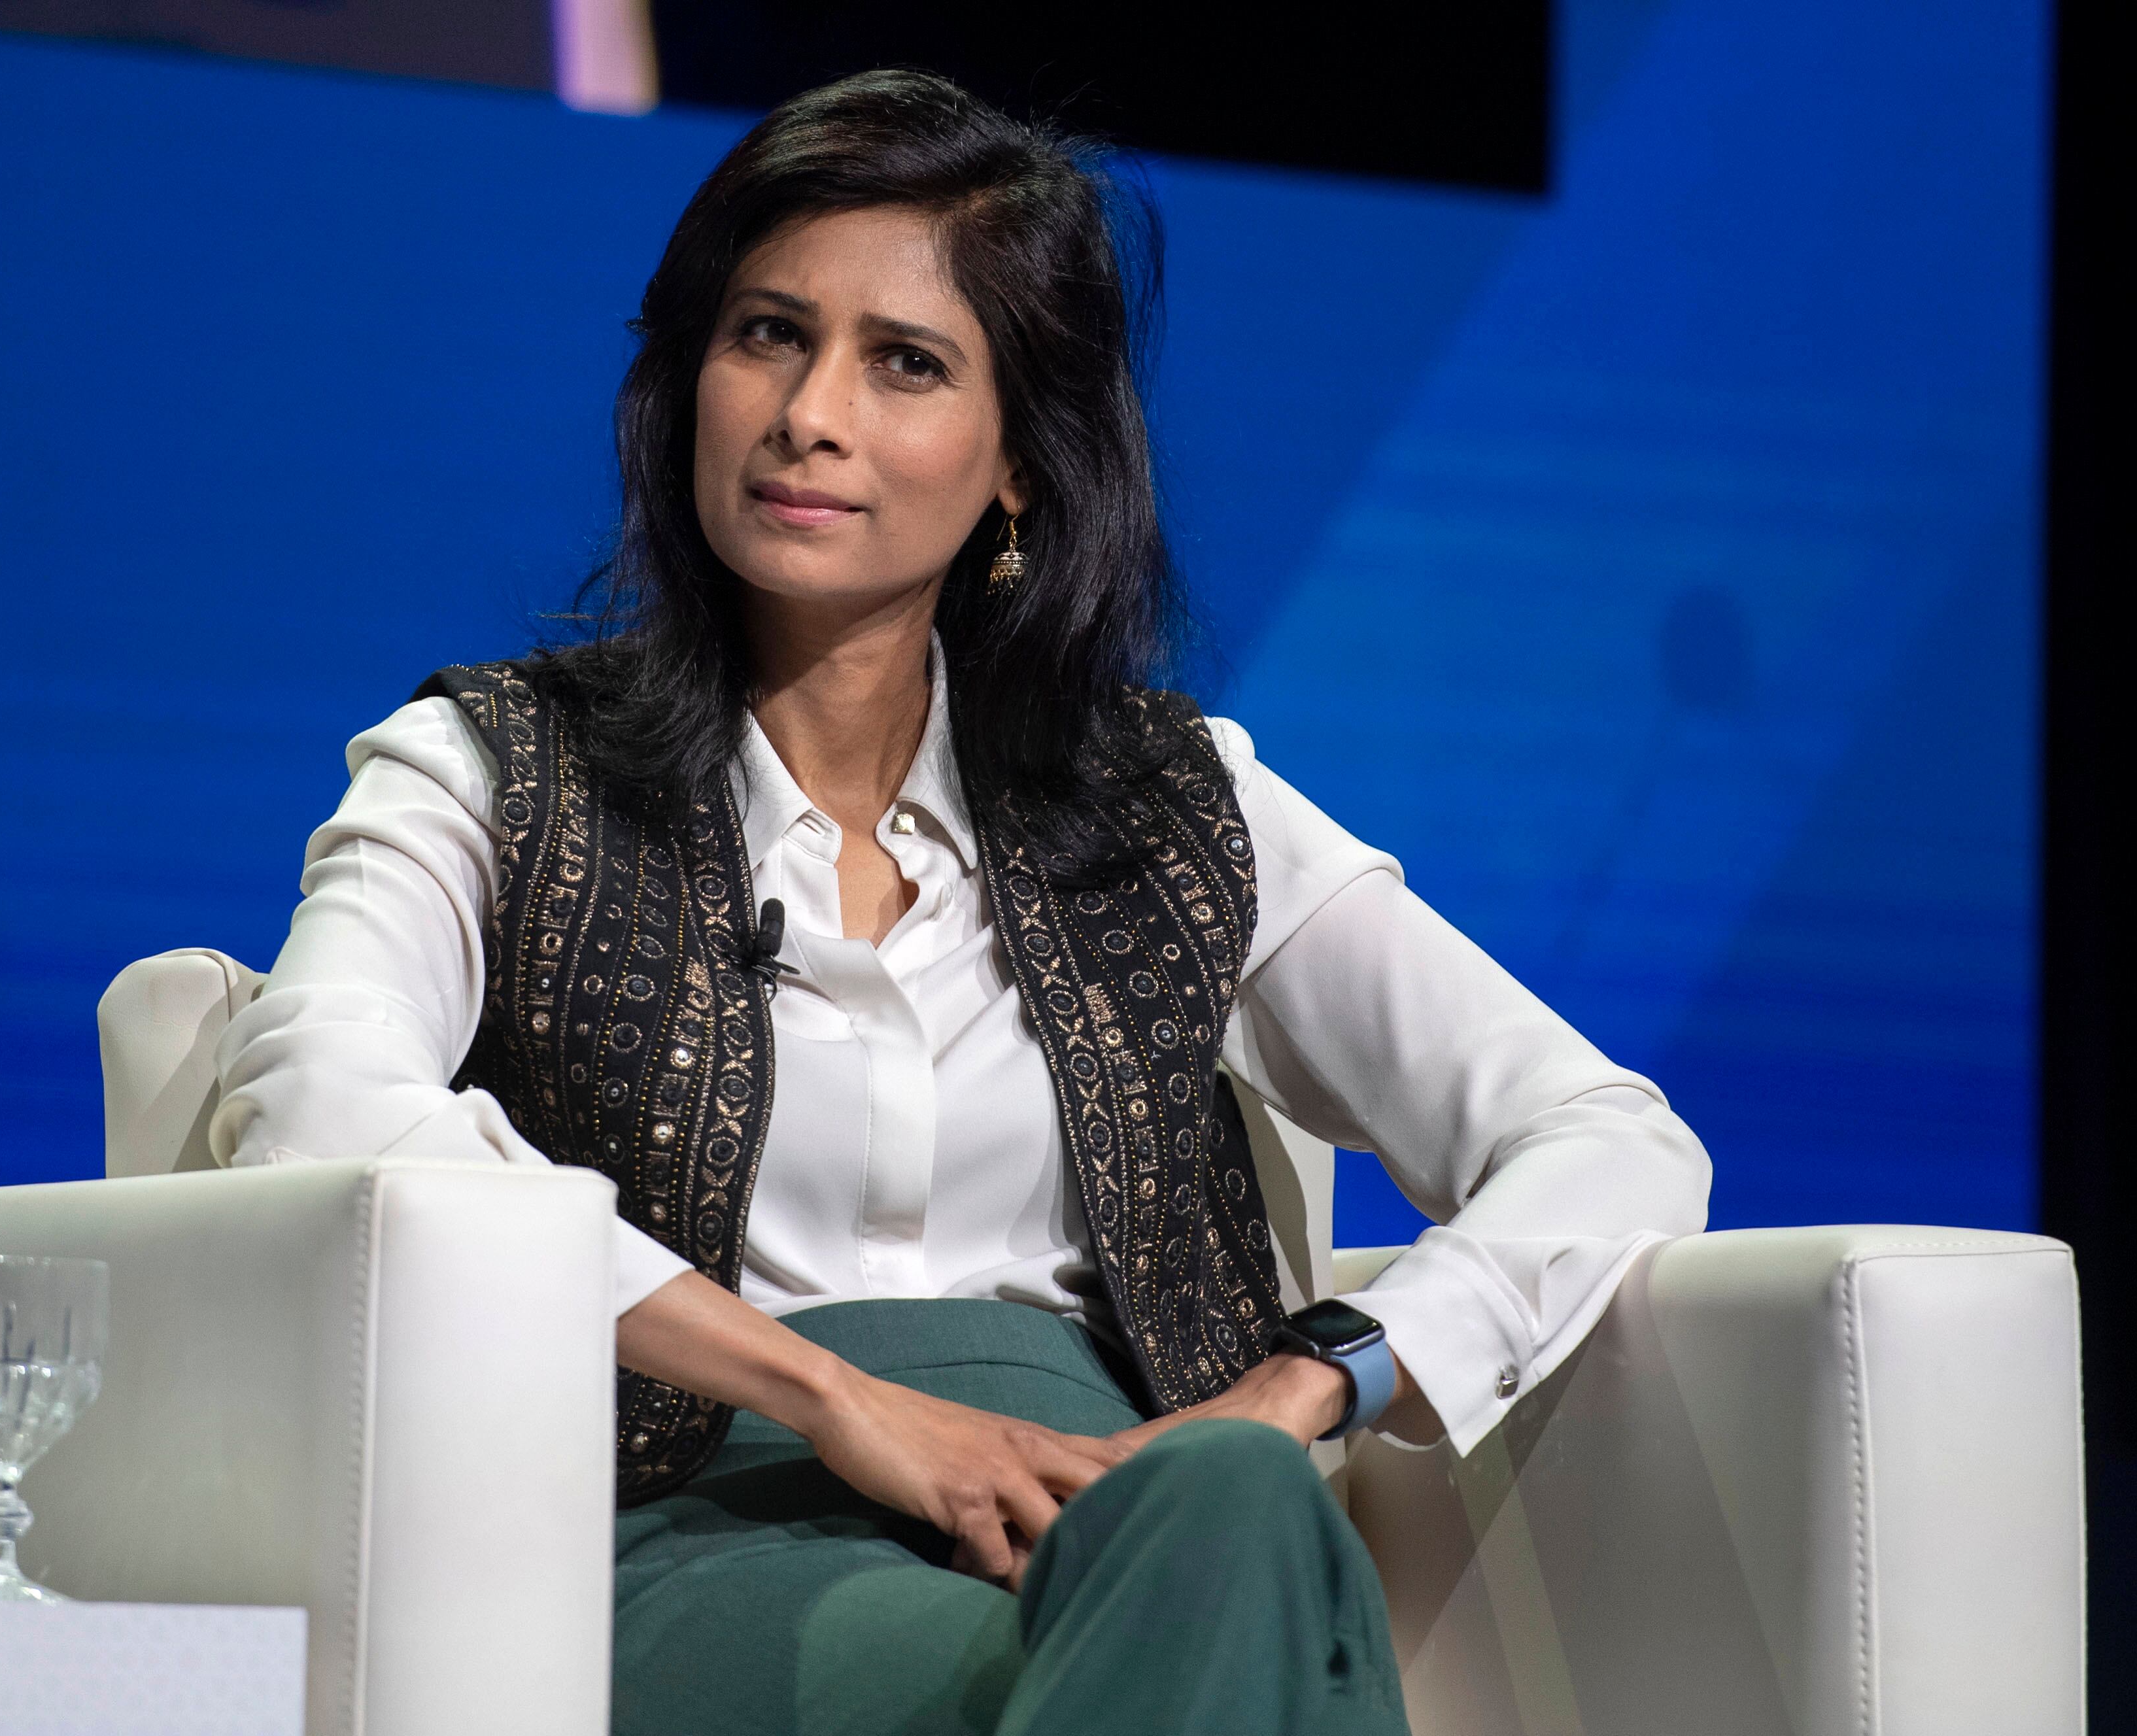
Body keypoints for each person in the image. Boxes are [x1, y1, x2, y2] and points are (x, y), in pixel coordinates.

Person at [211, 69, 1710, 1736]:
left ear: (1018, 466)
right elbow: (316, 1104)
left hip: (1117, 1520)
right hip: (685, 1525)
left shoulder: (1162, 803)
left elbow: (1603, 1131)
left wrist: (1292, 1389)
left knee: (1238, 1519)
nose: (808, 413)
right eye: (767, 334)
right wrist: (833, 1397)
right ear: (686, 376)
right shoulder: (494, 766)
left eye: (904, 362)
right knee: (1269, 1649)